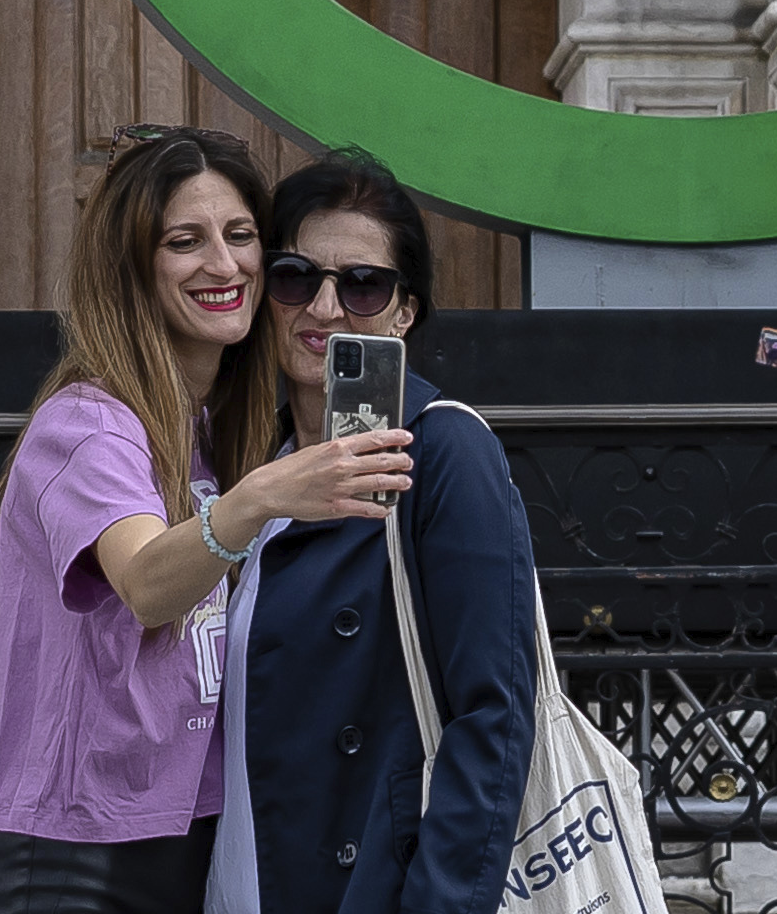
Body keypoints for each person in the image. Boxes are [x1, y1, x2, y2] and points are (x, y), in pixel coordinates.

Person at [0, 127, 424, 914]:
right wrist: (262, 496)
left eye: (241, 236)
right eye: (184, 241)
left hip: (183, 852)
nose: (224, 263)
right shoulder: (90, 425)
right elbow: (144, 583)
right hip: (68, 865)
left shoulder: (212, 438)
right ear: (136, 268)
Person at [217, 149, 537, 914]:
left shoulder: (440, 449)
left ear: (404, 312)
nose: (324, 309)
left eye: (363, 284)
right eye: (297, 277)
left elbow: (491, 717)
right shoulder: (242, 467)